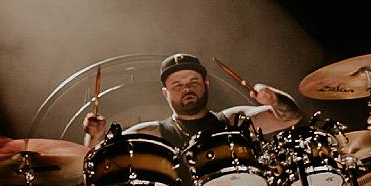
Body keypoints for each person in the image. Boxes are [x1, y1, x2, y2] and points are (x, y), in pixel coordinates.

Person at [82, 54, 306, 152]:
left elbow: (291, 116)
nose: (186, 88)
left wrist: (274, 98)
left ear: (206, 85)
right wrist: (95, 135)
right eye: (177, 85)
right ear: (165, 93)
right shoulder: (152, 133)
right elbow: (95, 160)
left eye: (193, 82)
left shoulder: (233, 120)